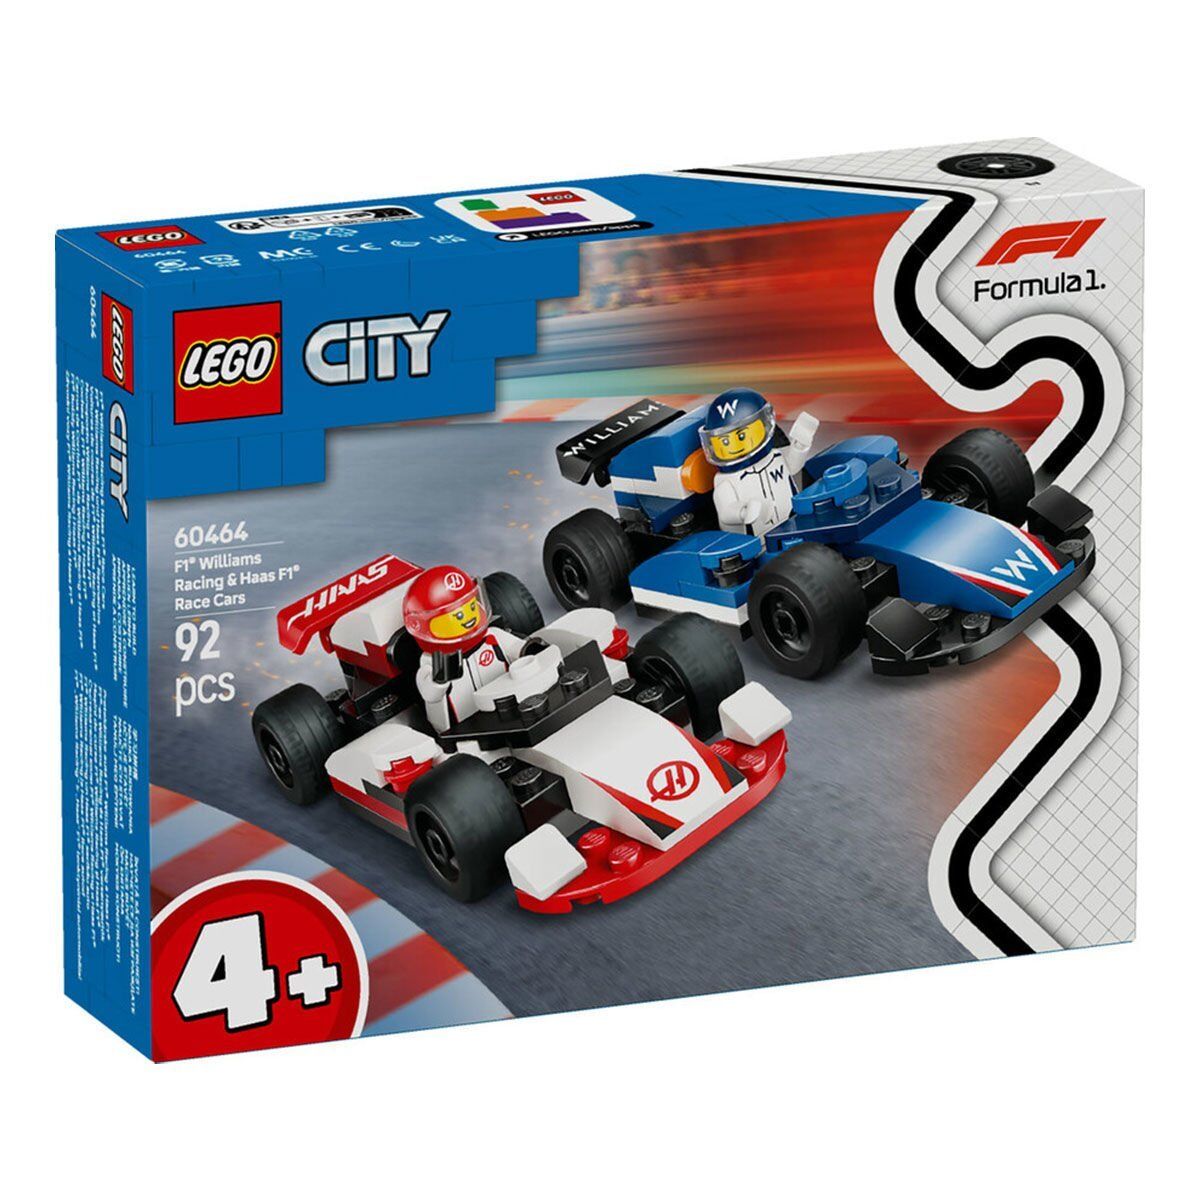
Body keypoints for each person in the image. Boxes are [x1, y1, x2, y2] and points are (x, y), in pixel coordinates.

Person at [402, 565, 525, 733]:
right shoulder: (430, 664)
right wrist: (440, 678)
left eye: (472, 607)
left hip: (511, 708)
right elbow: (431, 694)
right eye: (457, 616)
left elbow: (520, 649)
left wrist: (531, 650)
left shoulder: (493, 637)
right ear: (420, 625)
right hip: (462, 731)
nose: (468, 619)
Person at [699, 388, 820, 538]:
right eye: (725, 442)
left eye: (742, 436)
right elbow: (726, 511)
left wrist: (799, 445)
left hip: (795, 524)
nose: (736, 448)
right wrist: (743, 512)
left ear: (765, 424)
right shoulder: (725, 482)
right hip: (757, 542)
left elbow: (794, 466)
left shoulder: (776, 456)